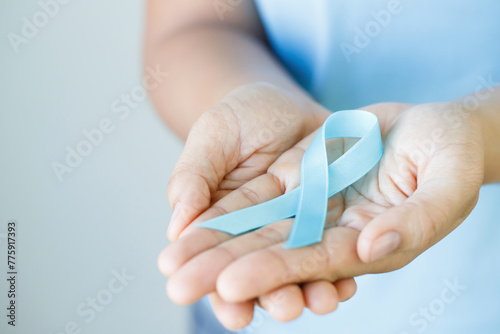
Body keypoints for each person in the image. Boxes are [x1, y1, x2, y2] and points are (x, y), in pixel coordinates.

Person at [145, 0, 500, 332]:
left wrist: (480, 133)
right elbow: (193, 24)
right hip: (255, 312)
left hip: (478, 300)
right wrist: (247, 98)